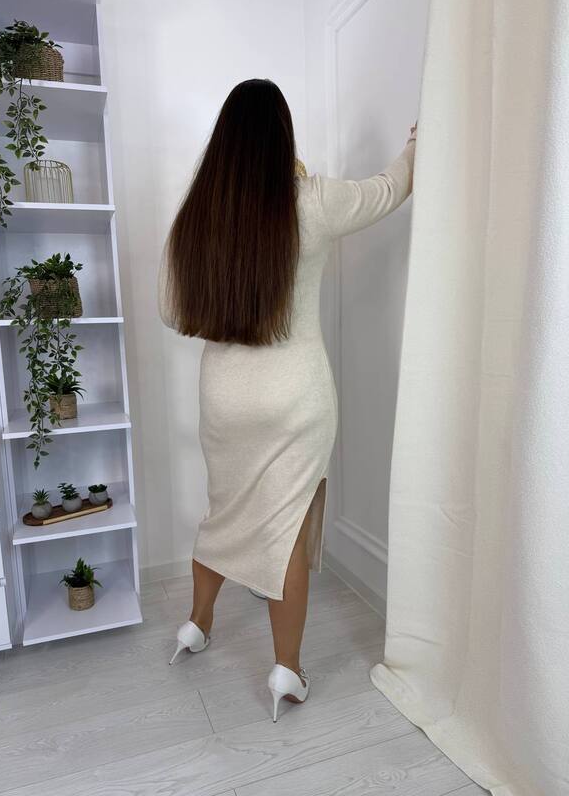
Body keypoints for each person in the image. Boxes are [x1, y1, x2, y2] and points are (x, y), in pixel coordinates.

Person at [158, 78, 416, 722]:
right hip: (296, 398)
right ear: (282, 136)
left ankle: (196, 624)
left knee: (223, 515)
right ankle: (287, 670)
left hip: (224, 398)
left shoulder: (198, 216)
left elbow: (170, 309)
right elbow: (388, 189)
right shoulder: (313, 199)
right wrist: (417, 146)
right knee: (287, 533)